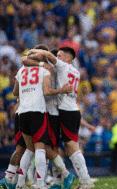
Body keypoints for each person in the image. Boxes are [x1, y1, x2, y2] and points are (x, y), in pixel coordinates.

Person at [24, 47, 92, 188]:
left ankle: (85, 181)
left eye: (60, 55)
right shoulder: (75, 71)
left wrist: (34, 53)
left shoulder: (63, 66)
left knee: (71, 146)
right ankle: (61, 180)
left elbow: (46, 56)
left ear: (68, 58)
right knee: (63, 146)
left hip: (65, 111)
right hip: (70, 109)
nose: (58, 57)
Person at [13, 46, 72, 189]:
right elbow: (47, 91)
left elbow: (15, 92)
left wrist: (26, 93)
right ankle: (40, 184)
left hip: (22, 112)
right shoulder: (44, 70)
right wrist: (62, 90)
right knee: (40, 149)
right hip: (38, 111)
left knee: (29, 149)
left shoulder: (20, 71)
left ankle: (20, 184)